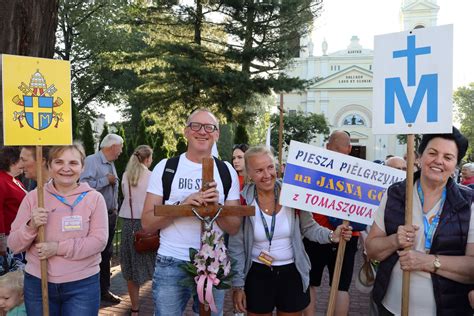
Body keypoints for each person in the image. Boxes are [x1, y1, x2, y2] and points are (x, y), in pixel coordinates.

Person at [229, 145, 352, 316]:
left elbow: (309, 228)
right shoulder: (243, 200)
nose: (267, 175)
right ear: (249, 174)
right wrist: (238, 285)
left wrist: (332, 235)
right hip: (257, 273)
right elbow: (236, 246)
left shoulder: (292, 193)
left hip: (291, 272)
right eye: (259, 170)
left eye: (270, 167)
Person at [141, 109, 241, 316]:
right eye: (195, 126)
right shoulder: (166, 168)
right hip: (171, 261)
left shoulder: (226, 171)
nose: (202, 132)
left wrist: (217, 208)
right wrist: (183, 206)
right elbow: (147, 223)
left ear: (217, 134)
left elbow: (234, 227)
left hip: (214, 263)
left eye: (209, 127)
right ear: (186, 132)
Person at [365, 127, 474, 315]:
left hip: (448, 310)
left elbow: (472, 267)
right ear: (419, 157)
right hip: (390, 308)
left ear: (455, 165)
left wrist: (429, 262)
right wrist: (394, 241)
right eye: (432, 153)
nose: (438, 161)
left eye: (448, 157)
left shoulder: (469, 203)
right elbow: (372, 249)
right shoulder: (396, 193)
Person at [8, 144, 109, 315]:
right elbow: (14, 245)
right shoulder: (34, 197)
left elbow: (98, 242)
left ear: (82, 166)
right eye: (59, 162)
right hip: (38, 283)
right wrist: (31, 226)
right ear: (49, 165)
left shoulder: (94, 199)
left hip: (82, 284)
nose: (66, 168)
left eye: (73, 163)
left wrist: (57, 248)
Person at [303, 130, 363, 316]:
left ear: (327, 147)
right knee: (341, 287)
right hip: (347, 234)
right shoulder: (360, 174)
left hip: (316, 232)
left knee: (311, 285)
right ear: (349, 148)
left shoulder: (314, 169)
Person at [80, 133, 123, 303]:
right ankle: (96, 291)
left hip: (110, 216)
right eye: (120, 148)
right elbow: (83, 186)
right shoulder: (92, 161)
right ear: (112, 146)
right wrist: (105, 180)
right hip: (97, 218)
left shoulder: (110, 163)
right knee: (97, 255)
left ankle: (103, 290)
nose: (121, 152)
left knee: (106, 254)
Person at [119, 145, 155, 316]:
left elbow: (126, 197)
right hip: (147, 224)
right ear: (147, 159)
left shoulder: (126, 175)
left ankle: (135, 309)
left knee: (131, 270)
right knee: (154, 266)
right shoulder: (151, 176)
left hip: (128, 224)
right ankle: (160, 306)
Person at [0, 147, 27, 273]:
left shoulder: (15, 180)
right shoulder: (1, 180)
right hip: (7, 238)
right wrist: (1, 239)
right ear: (13, 161)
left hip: (17, 235)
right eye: (22, 159)